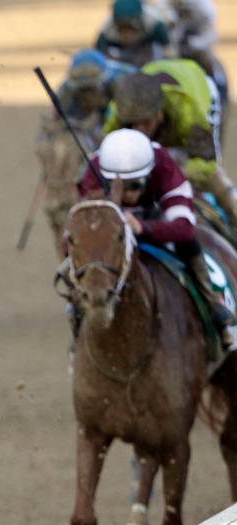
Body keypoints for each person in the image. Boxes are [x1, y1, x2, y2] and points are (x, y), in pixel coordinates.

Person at [78, 128, 236, 347]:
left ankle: (212, 303)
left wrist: (143, 228)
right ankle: (77, 319)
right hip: (112, 222)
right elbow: (72, 237)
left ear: (149, 175)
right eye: (120, 186)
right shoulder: (93, 173)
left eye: (135, 185)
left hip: (155, 213)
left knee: (187, 243)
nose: (127, 194)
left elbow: (184, 228)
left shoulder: (165, 167)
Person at [106, 61, 235, 223]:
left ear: (159, 114)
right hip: (152, 78)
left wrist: (172, 178)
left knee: (211, 174)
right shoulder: (117, 114)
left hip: (200, 87)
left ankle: (233, 206)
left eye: (145, 123)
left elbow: (206, 163)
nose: (139, 130)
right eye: (132, 123)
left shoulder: (188, 112)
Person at [96, 0, 170, 65]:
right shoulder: (107, 30)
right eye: (122, 28)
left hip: (146, 48)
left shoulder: (153, 23)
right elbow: (99, 53)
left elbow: (167, 46)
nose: (127, 35)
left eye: (130, 28)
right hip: (121, 54)